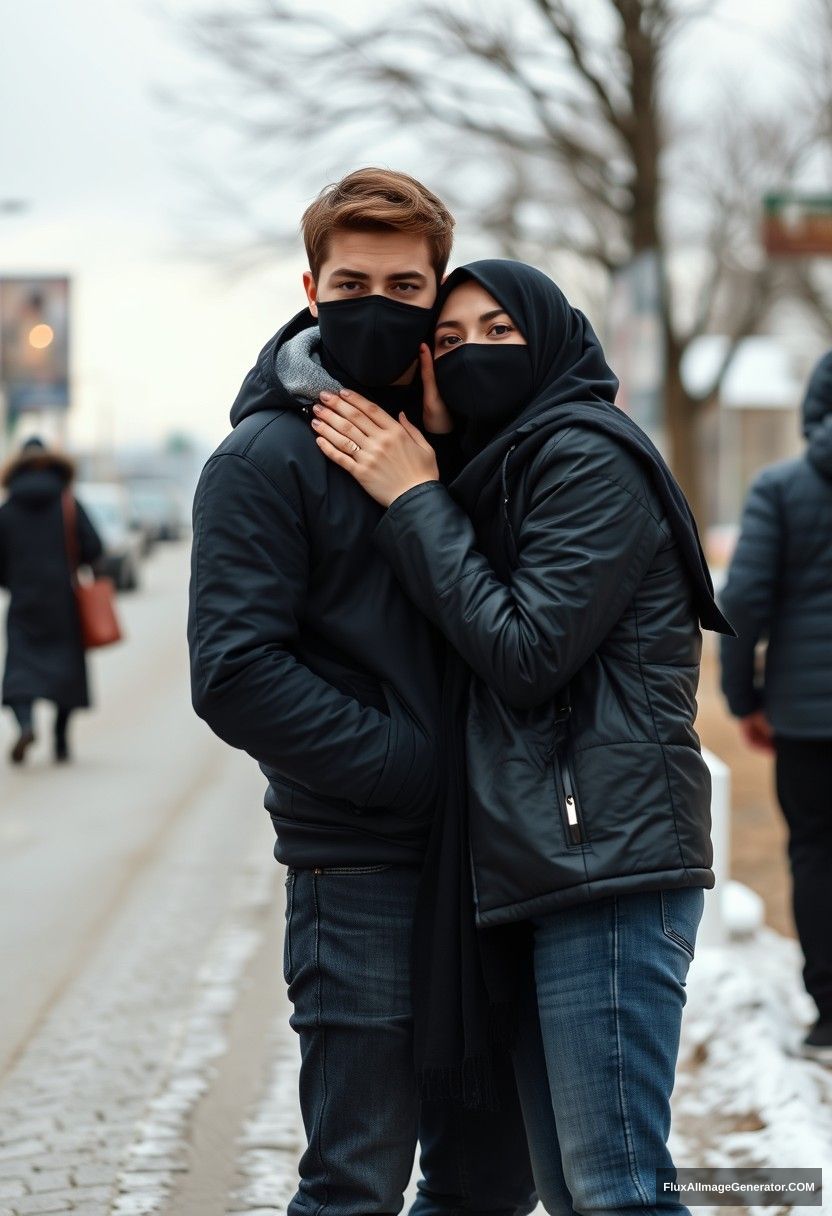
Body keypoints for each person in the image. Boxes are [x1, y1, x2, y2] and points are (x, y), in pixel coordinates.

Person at [312, 258, 734, 1215]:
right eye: (450, 343)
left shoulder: (588, 456)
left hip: (612, 867)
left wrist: (417, 496)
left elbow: (525, 650)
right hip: (555, 865)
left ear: (551, 340)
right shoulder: (514, 468)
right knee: (577, 1191)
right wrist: (444, 466)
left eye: (500, 333)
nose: (472, 356)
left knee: (619, 1189)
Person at [188, 173, 535, 1216]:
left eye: (404, 283)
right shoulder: (262, 459)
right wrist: (412, 767)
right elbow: (236, 675)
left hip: (495, 866)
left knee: (489, 1183)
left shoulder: (469, 443)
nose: (376, 304)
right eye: (351, 281)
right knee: (356, 1177)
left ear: (436, 295)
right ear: (311, 286)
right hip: (363, 865)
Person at [720, 350, 832, 1063]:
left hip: (807, 717)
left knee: (816, 854)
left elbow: (744, 602)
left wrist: (744, 698)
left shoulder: (784, 489)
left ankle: (829, 1014)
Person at [0, 436, 103, 765]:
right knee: (66, 674)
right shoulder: (68, 503)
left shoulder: (7, 510)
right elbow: (94, 548)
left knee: (20, 673)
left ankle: (27, 725)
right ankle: (60, 741)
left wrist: (13, 581)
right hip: (63, 603)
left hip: (24, 603)